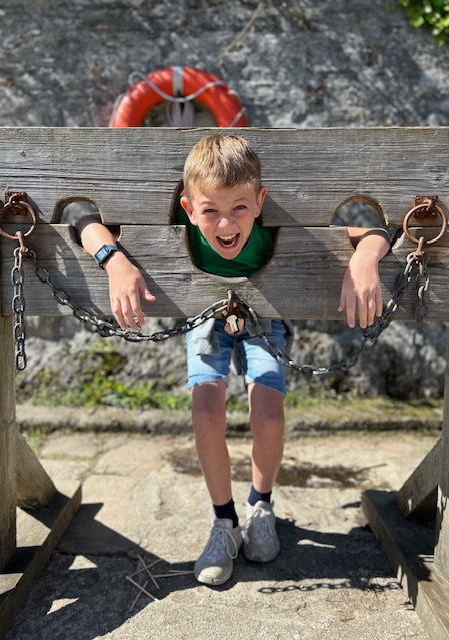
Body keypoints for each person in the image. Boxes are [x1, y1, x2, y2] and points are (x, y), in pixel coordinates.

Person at [77, 133, 390, 586]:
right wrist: (114, 261)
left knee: (268, 415)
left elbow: (380, 228)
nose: (226, 224)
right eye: (211, 210)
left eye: (240, 208)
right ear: (187, 208)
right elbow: (82, 217)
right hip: (205, 318)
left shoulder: (273, 230)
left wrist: (365, 258)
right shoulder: (182, 229)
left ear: (261, 202)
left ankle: (260, 506)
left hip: (265, 317)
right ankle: (224, 522)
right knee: (205, 412)